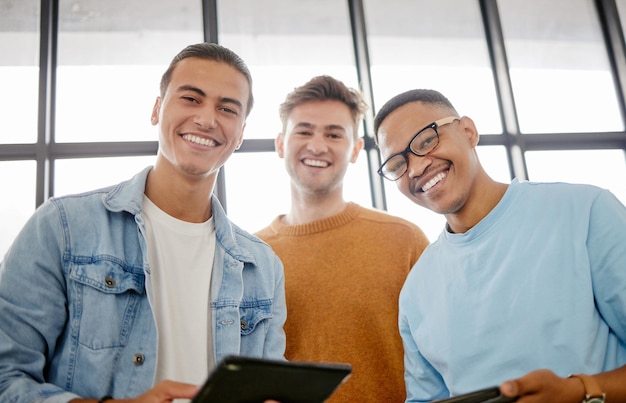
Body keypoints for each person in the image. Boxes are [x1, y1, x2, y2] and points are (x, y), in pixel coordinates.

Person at [0, 42, 287, 402]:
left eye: (227, 108)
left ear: (241, 133)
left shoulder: (262, 267)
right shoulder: (62, 227)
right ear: (157, 109)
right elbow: (6, 378)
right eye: (191, 99)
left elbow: (268, 388)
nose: (207, 119)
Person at [373, 88, 626, 403]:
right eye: (397, 164)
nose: (415, 168)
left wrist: (581, 391)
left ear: (468, 131)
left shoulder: (585, 212)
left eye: (427, 140)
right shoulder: (415, 294)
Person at [255, 75, 430, 402]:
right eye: (304, 131)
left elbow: (444, 355)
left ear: (355, 149)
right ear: (281, 143)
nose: (317, 145)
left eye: (334, 134)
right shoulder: (250, 256)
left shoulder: (404, 240)